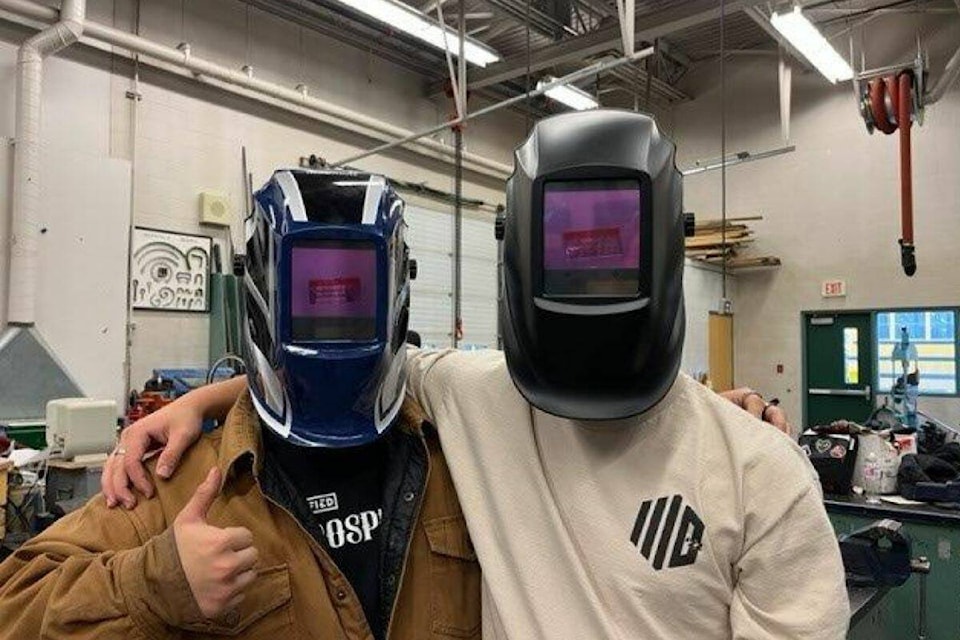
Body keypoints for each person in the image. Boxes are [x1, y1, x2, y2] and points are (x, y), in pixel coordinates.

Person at [106, 111, 847, 639]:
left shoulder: (763, 474)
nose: (591, 281)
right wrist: (194, 403)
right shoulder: (478, 399)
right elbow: (354, 360)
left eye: (608, 245)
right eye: (572, 245)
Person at [0, 170, 480, 639]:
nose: (333, 316)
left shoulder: (459, 461)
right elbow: (13, 604)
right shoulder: (179, 483)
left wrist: (209, 397)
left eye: (351, 290)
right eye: (315, 290)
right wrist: (155, 583)